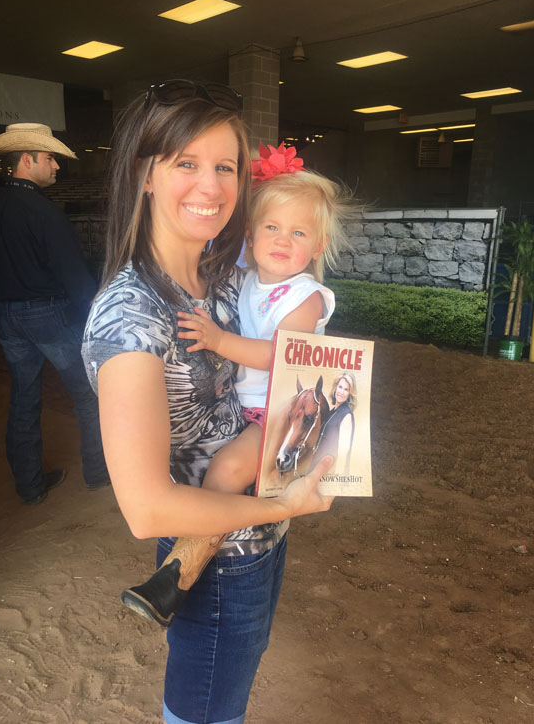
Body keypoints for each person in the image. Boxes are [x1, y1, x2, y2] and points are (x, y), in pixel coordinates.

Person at [81, 79, 334, 724]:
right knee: (205, 714)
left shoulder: (224, 277)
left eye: (225, 167)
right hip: (215, 557)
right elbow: (145, 510)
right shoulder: (131, 319)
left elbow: (296, 350)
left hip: (262, 533)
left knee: (227, 700)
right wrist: (287, 502)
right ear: (144, 174)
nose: (212, 186)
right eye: (186, 164)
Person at [122, 143, 359, 625]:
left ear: (317, 249)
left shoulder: (307, 296)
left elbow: (280, 356)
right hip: (244, 405)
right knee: (224, 472)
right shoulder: (244, 276)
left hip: (277, 409)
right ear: (249, 235)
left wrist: (218, 341)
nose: (282, 239)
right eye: (271, 227)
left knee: (228, 471)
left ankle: (180, 572)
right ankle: (186, 563)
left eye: (298, 232)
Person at [0, 122, 110, 505]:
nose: (56, 166)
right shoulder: (45, 213)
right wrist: (93, 314)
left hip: (4, 316)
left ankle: (29, 485)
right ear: (27, 160)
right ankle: (97, 471)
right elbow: (74, 277)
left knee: (24, 396)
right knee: (88, 395)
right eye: (50, 158)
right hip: (48, 316)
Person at [314, 372, 357, 474]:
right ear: (335, 388)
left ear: (349, 394)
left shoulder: (346, 415)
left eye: (346, 389)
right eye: (340, 387)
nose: (341, 392)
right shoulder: (332, 412)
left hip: (330, 473)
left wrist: (336, 480)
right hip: (318, 469)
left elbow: (343, 453)